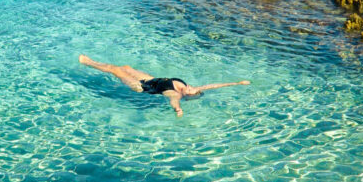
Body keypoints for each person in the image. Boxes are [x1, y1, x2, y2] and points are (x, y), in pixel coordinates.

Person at [79, 54, 250, 117]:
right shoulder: (190, 88)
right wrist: (237, 83)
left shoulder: (176, 95)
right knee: (126, 67)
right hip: (153, 79)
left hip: (143, 88)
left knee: (114, 70)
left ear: (188, 96)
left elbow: (174, 103)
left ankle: (88, 62)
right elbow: (213, 86)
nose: (191, 88)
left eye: (191, 91)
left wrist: (178, 110)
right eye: (193, 88)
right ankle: (90, 62)